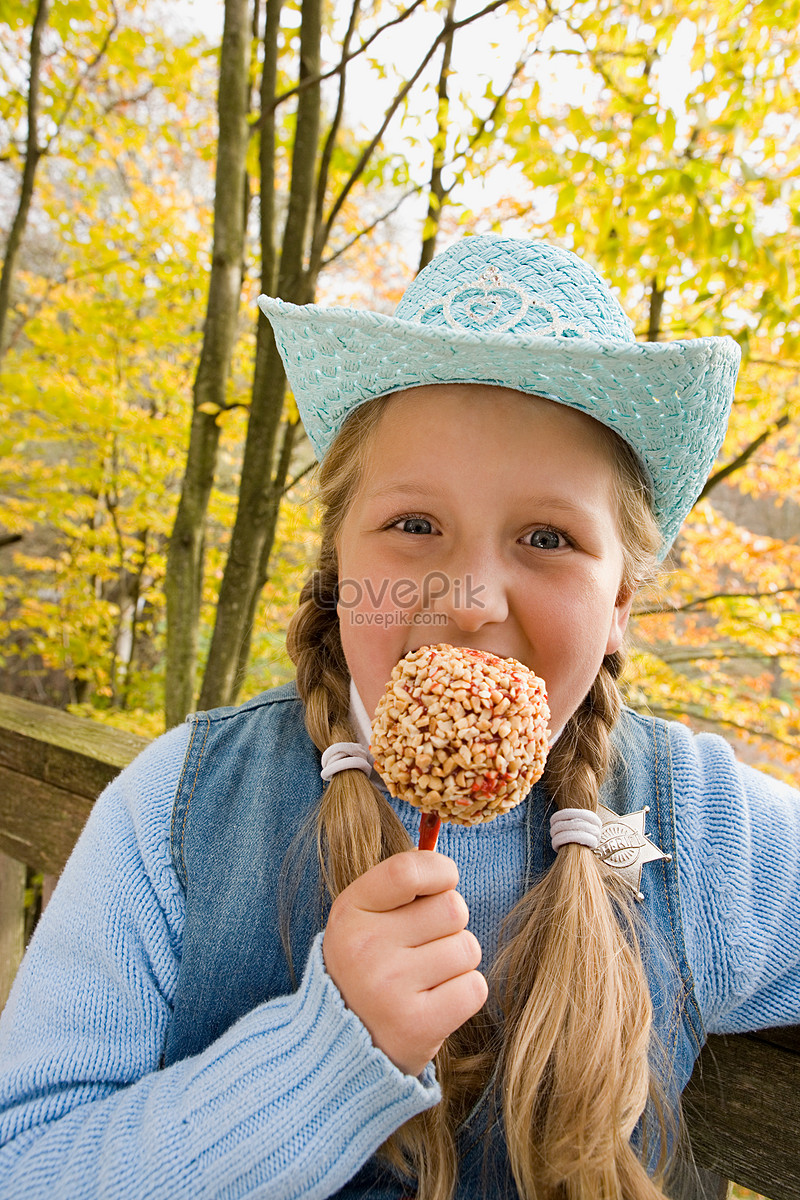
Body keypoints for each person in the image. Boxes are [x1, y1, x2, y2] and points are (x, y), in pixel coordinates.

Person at [0, 235, 798, 1200]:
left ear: (621, 600)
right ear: (340, 564)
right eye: (415, 527)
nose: (469, 599)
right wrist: (323, 1058)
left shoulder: (700, 825)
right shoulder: (174, 808)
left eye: (547, 537)